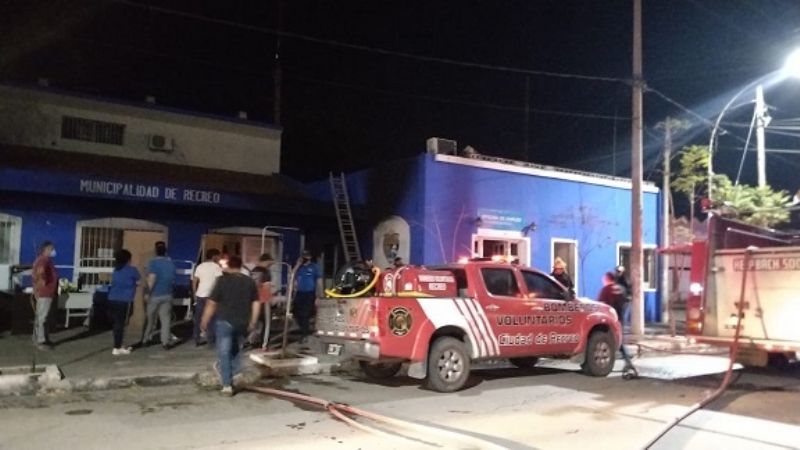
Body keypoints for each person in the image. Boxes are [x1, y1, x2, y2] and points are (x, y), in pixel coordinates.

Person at [200, 256, 260, 396]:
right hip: (243, 322)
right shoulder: (249, 281)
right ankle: (235, 374)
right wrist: (253, 321)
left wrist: (204, 320)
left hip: (225, 321)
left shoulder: (222, 281)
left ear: (228, 266)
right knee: (236, 349)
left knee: (224, 352)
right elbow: (256, 303)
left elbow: (211, 303)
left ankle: (227, 384)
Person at [141, 241, 177, 349]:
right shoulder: (171, 263)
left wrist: (147, 292)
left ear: (156, 251)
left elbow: (151, 279)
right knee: (165, 320)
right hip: (168, 293)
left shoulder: (153, 263)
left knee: (150, 319)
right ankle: (165, 342)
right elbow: (173, 279)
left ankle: (146, 339)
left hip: (155, 294)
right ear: (165, 251)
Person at [597, 271, 633, 369]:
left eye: (604, 279)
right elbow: (626, 301)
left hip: (609, 319)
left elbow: (600, 304)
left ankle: (621, 361)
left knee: (610, 340)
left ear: (607, 279)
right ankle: (627, 360)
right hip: (619, 318)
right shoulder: (621, 289)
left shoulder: (606, 290)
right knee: (619, 340)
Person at [107, 249, 140, 355]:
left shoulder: (116, 270)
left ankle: (119, 345)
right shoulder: (132, 270)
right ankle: (117, 347)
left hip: (112, 299)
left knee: (117, 323)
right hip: (125, 300)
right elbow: (138, 279)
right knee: (121, 324)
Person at [193, 248, 223, 346]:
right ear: (214, 256)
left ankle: (197, 338)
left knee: (198, 317)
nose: (219, 258)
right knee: (212, 318)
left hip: (200, 294)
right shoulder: (216, 267)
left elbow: (195, 281)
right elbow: (219, 281)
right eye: (218, 256)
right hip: (211, 296)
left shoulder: (200, 266)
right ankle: (211, 339)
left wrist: (195, 292)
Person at [31, 241, 58, 350]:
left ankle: (41, 338)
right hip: (45, 292)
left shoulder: (46, 260)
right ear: (46, 249)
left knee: (42, 317)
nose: (53, 251)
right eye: (51, 249)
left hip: (47, 292)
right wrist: (41, 286)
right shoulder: (43, 260)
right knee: (42, 318)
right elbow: (40, 274)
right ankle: (40, 341)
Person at [293, 250, 321, 344]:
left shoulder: (314, 267)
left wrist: (319, 296)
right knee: (296, 313)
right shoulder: (299, 267)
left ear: (309, 257)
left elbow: (319, 281)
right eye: (303, 256)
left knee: (305, 314)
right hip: (299, 293)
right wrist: (297, 265)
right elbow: (292, 275)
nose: (304, 258)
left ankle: (304, 335)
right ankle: (304, 330)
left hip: (309, 293)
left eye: (306, 257)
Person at [250, 253, 275, 349]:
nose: (271, 264)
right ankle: (264, 344)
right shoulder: (266, 271)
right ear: (267, 261)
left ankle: (252, 340)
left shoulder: (253, 271)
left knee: (255, 321)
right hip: (264, 300)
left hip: (253, 300)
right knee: (267, 322)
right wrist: (270, 298)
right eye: (270, 262)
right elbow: (266, 287)